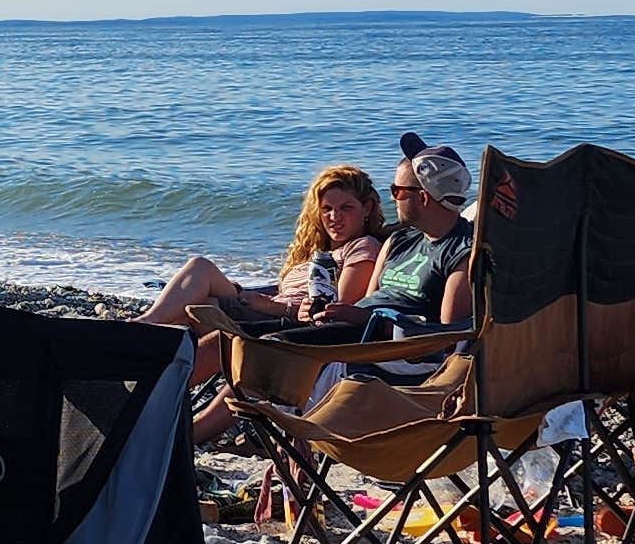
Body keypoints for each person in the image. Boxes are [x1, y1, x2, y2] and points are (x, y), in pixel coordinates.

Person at [136, 164, 388, 443]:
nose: (334, 217)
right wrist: (252, 295)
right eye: (327, 209)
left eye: (345, 208)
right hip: (265, 309)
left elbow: (335, 310)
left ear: (367, 208)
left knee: (211, 304)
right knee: (201, 286)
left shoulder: (362, 247)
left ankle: (148, 387)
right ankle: (144, 351)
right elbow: (284, 289)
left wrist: (273, 307)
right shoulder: (321, 251)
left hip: (288, 326)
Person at [311, 141, 477, 334]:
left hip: (385, 349)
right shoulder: (399, 240)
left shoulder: (462, 253)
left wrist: (366, 320)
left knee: (277, 344)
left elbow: (444, 338)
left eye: (397, 190)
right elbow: (368, 301)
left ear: (423, 197)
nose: (392, 198)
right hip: (353, 331)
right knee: (270, 335)